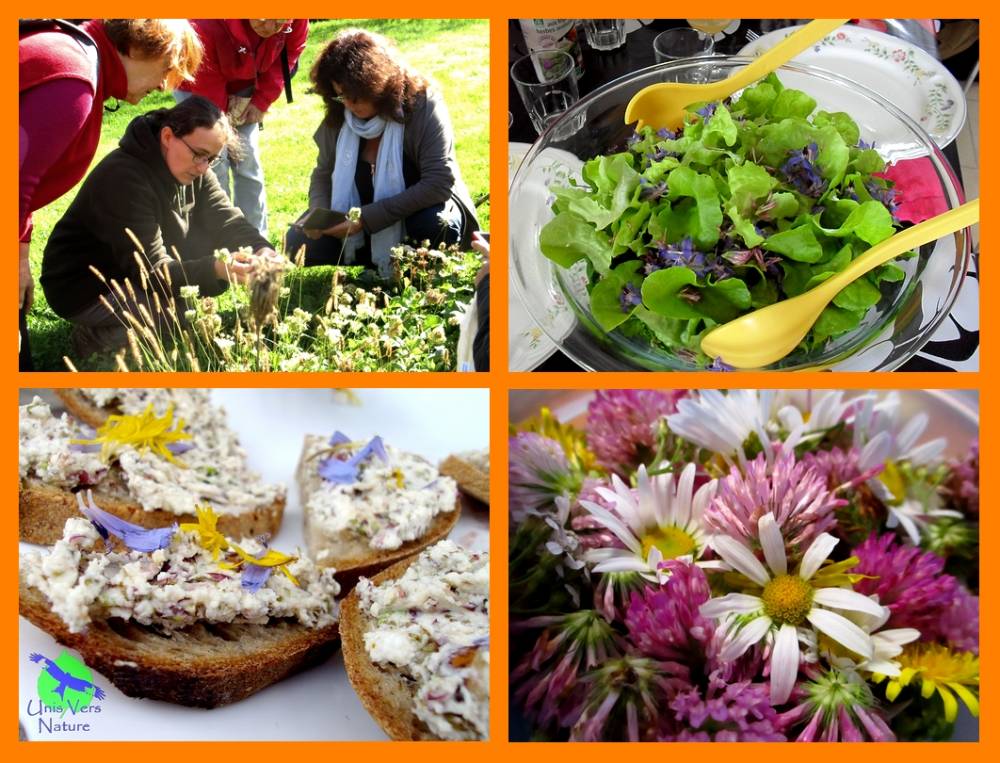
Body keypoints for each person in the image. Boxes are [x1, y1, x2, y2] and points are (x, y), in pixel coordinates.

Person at [19, 18, 203, 368]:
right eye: (165, 68)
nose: (165, 84)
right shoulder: (73, 77)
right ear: (136, 47)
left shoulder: (74, 55)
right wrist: (15, 259)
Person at [41, 96, 277, 357]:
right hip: (85, 287)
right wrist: (217, 269)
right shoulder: (125, 179)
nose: (202, 168)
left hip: (130, 270)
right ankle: (95, 337)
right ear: (167, 137)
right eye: (198, 155)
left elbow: (226, 218)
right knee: (177, 319)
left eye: (211, 159)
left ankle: (132, 321)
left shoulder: (195, 167)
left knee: (185, 312)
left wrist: (262, 250)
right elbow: (152, 273)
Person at [287, 29, 478, 277]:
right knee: (293, 241)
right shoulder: (340, 113)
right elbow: (323, 174)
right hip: (358, 220)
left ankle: (401, 261)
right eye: (340, 95)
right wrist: (320, 215)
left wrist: (365, 219)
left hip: (414, 215)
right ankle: (370, 257)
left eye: (355, 96)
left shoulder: (424, 105)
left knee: (437, 225)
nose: (348, 104)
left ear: (378, 84)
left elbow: (439, 183)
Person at [175, 19, 308, 236]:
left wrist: (261, 100)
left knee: (248, 161)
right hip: (199, 84)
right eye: (264, 19)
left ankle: (256, 240)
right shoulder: (205, 22)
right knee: (213, 164)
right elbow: (205, 78)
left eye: (280, 22)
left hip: (248, 86)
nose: (270, 29)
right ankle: (220, 240)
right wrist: (218, 128)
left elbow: (289, 53)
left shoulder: (297, 18)